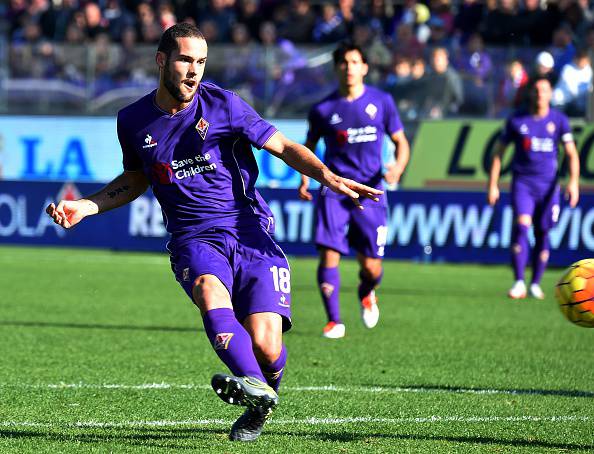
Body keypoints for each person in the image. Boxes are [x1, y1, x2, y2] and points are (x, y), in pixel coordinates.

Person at [45, 23, 381, 441]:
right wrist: (87, 205)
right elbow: (136, 179)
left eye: (201, 62)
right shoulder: (131, 120)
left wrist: (326, 175)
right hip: (193, 237)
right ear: (162, 60)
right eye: (186, 60)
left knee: (267, 347)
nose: (194, 71)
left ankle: (260, 400)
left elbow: (283, 146)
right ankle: (253, 385)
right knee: (208, 290)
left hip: (250, 231)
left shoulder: (224, 105)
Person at [298, 41, 410, 339]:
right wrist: (306, 178)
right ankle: (334, 321)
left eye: (354, 62)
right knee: (329, 255)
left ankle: (366, 291)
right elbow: (307, 148)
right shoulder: (322, 109)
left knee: (372, 268)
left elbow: (401, 142)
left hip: (371, 192)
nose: (349, 67)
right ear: (337, 68)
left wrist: (397, 168)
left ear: (365, 67)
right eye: (344, 62)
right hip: (334, 190)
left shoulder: (382, 102)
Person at [487, 76, 580, 300]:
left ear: (550, 94)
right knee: (521, 226)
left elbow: (571, 153)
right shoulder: (517, 120)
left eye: (544, 90)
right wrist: (493, 185)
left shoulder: (558, 121)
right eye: (536, 90)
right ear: (530, 93)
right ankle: (519, 282)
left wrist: (574, 182)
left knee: (543, 232)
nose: (540, 94)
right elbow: (498, 153)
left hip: (549, 186)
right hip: (523, 183)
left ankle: (536, 283)